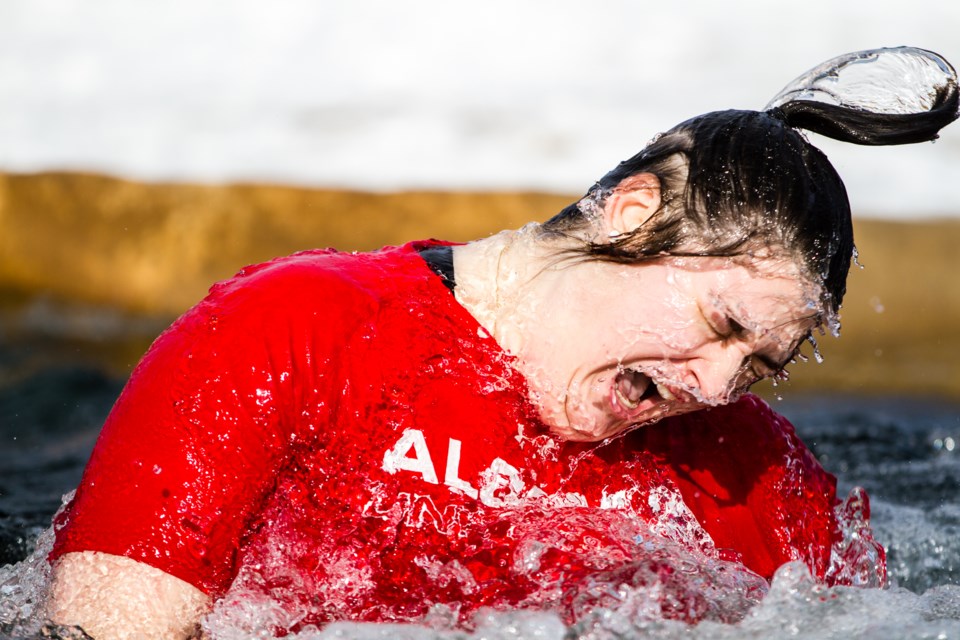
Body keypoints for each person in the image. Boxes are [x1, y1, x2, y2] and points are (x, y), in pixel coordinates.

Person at [45, 48, 958, 639]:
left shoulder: (759, 480)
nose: (721, 387)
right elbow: (104, 627)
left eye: (762, 364)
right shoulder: (295, 334)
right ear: (633, 210)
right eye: (722, 325)